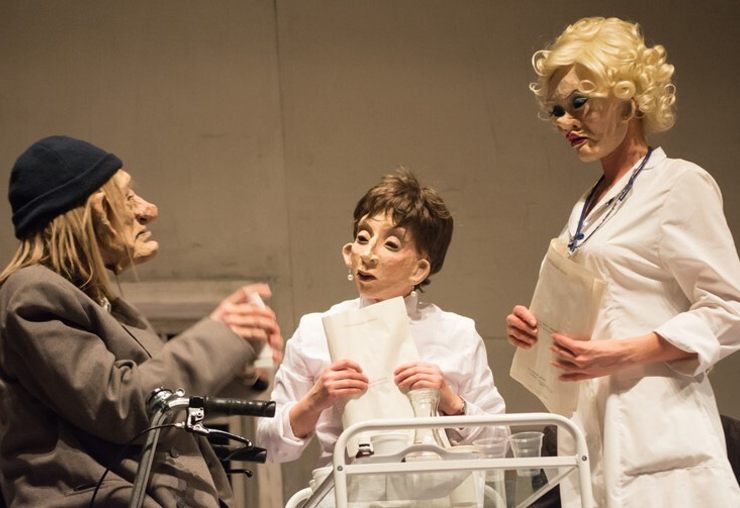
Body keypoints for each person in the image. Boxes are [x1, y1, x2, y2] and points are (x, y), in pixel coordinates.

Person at [506, 17, 740, 507]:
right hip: (591, 438)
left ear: (629, 100)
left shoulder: (678, 185)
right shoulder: (585, 208)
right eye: (557, 110)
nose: (565, 122)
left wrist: (624, 352)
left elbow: (730, 308)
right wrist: (537, 331)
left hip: (658, 437)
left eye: (579, 103)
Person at [0, 135, 283, 507]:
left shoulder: (107, 307)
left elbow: (164, 408)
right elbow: (121, 407)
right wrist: (220, 336)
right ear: (98, 210)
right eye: (128, 197)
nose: (149, 210)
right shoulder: (33, 293)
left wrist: (236, 366)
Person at [257, 168, 506, 468]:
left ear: (419, 269)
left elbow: (498, 446)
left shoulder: (457, 334)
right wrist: (315, 400)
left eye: (391, 244)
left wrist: (450, 401)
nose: (368, 255)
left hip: (438, 488)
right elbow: (268, 446)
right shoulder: (316, 330)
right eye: (362, 238)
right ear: (348, 252)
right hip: (346, 489)